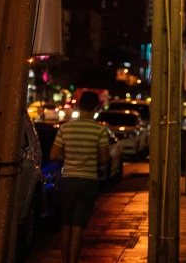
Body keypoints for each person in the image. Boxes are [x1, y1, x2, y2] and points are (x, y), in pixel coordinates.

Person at [50, 91, 109, 263]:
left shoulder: (65, 128)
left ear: (78, 106)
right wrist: (90, 160)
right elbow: (104, 159)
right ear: (96, 108)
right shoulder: (99, 129)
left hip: (67, 180)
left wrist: (69, 158)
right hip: (88, 181)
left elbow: (54, 154)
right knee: (78, 227)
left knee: (65, 226)